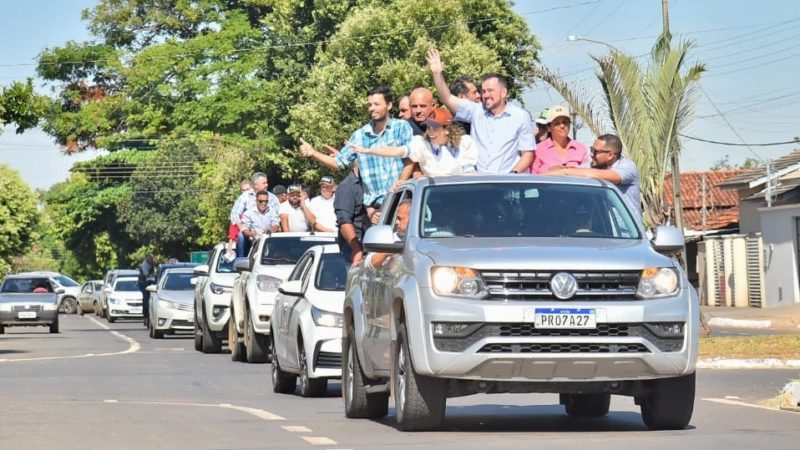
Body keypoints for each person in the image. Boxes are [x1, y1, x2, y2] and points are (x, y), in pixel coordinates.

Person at [299, 86, 414, 218]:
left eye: (376, 104)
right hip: (376, 210)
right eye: (370, 105)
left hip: (403, 201)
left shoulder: (401, 127)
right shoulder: (359, 136)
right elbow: (338, 163)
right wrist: (313, 153)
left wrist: (402, 181)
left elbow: (412, 156)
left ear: (389, 105)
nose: (372, 108)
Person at [427, 49, 534, 174]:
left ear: (504, 92)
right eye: (483, 91)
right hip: (480, 184)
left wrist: (513, 174)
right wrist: (437, 74)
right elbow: (447, 98)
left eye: (490, 90)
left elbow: (528, 154)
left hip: (508, 185)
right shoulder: (476, 111)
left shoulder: (520, 116)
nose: (485, 95)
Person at [349, 106, 477, 177]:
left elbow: (470, 174)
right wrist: (369, 150)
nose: (430, 131)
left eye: (435, 128)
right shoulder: (421, 144)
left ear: (447, 129)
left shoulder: (465, 143)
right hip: (434, 203)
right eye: (429, 127)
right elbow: (398, 151)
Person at [547, 133, 642, 224]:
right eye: (592, 149)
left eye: (596, 151)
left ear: (610, 155)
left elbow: (607, 176)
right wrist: (561, 170)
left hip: (627, 234)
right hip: (604, 233)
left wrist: (566, 172)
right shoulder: (593, 166)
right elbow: (570, 171)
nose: (592, 155)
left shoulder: (627, 167)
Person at [230, 172, 280, 256]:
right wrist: (243, 229)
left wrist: (272, 229)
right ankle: (241, 262)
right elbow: (234, 214)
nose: (267, 185)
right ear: (255, 185)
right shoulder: (245, 196)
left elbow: (278, 215)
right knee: (241, 236)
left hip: (269, 231)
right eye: (264, 183)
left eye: (266, 182)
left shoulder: (272, 197)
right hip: (249, 231)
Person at [530, 105, 589, 174]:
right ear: (549, 127)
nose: (562, 126)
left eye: (565, 122)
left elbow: (587, 175)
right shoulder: (538, 150)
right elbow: (533, 177)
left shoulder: (581, 148)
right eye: (557, 123)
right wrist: (549, 173)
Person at [334, 164, 370, 266]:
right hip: (354, 244)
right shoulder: (346, 187)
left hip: (369, 242)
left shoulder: (368, 185)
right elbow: (344, 222)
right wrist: (356, 248)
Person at [365, 200, 411, 269]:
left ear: (412, 218)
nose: (396, 222)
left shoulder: (426, 241)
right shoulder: (391, 239)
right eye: (396, 218)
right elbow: (368, 264)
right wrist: (388, 251)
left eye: (399, 218)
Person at [225, 179, 253, 261]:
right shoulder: (239, 210)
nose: (246, 192)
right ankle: (241, 259)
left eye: (248, 189)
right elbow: (233, 227)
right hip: (246, 234)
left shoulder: (258, 199)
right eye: (243, 190)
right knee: (241, 236)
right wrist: (230, 245)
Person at [138, 254, 155, 325]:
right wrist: (152, 275)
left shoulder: (151, 264)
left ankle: (148, 315)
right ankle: (146, 316)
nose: (152, 260)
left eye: (152, 259)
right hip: (144, 284)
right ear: (147, 259)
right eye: (150, 259)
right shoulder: (145, 265)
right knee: (146, 299)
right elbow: (146, 274)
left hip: (150, 283)